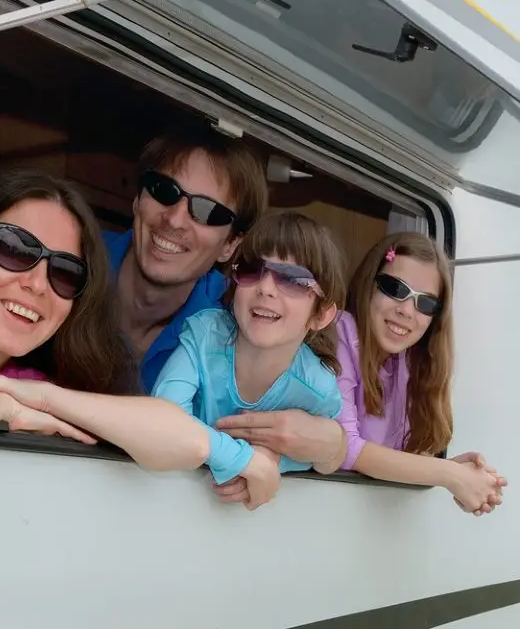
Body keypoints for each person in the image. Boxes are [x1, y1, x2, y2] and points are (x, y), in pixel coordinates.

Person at [0, 167, 210, 473]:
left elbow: (190, 444)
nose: (37, 284)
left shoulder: (31, 386)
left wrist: (45, 398)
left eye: (65, 272)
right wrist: (7, 409)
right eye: (14, 248)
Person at [104, 127, 351, 483]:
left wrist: (332, 446)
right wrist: (245, 459)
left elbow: (333, 442)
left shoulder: (236, 311)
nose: (174, 219)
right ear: (137, 198)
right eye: (163, 191)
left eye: (207, 212)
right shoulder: (65, 267)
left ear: (230, 246)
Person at [151, 212, 347, 510]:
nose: (265, 288)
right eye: (252, 269)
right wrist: (247, 460)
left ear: (321, 315)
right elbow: (164, 417)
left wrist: (277, 460)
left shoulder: (318, 388)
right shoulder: (206, 335)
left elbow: (322, 459)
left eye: (293, 279)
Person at [333, 232, 507, 514]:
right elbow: (343, 448)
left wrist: (457, 473)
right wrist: (449, 475)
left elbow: (398, 456)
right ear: (369, 284)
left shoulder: (407, 361)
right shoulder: (341, 330)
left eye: (426, 303)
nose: (406, 310)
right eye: (395, 288)